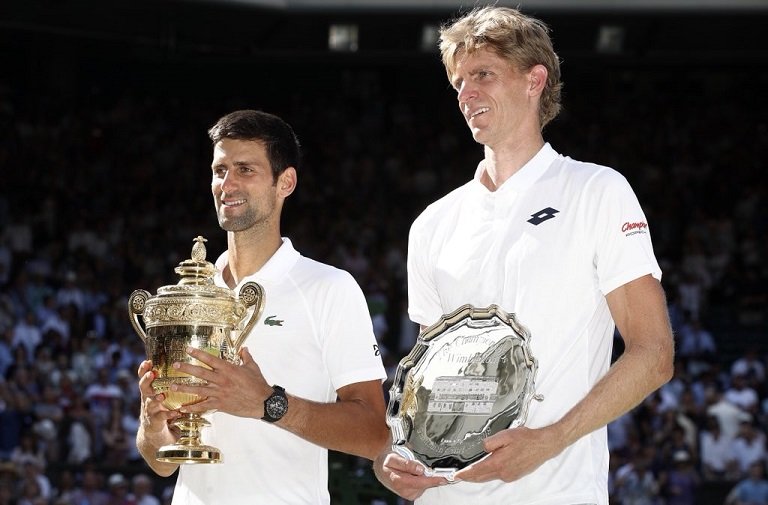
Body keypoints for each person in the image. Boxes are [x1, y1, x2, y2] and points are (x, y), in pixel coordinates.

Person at [373, 5, 674, 504]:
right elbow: (428, 379)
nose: (466, 94)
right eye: (458, 83)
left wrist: (548, 441)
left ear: (535, 80)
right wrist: (397, 454)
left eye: (483, 75)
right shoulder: (432, 223)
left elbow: (654, 354)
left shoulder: (596, 190)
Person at [136, 109, 389, 503]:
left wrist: (269, 404)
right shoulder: (189, 298)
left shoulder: (328, 288)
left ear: (285, 182)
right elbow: (163, 463)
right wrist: (153, 429)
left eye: (245, 170)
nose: (227, 184)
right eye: (220, 170)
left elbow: (376, 434)